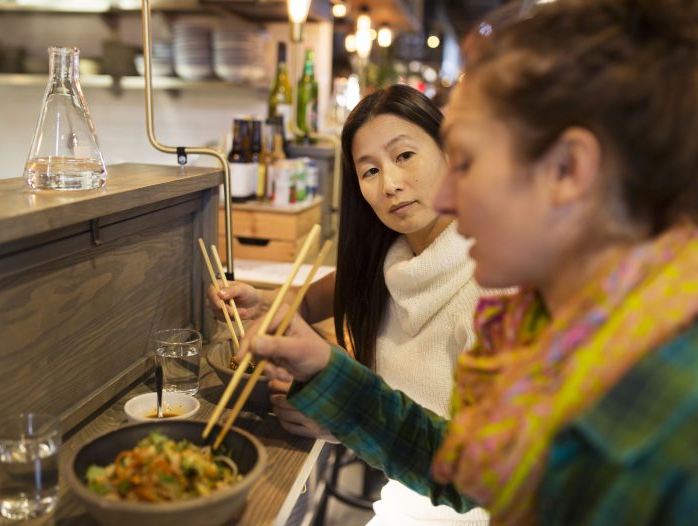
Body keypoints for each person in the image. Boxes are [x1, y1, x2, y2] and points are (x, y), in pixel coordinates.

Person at [238, 0, 698, 524]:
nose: (449, 197)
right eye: (369, 171)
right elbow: (467, 468)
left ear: (568, 169)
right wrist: (326, 371)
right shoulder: (555, 329)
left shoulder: (668, 429)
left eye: (468, 160)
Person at [209, 84, 491, 524]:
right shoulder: (394, 260)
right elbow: (307, 304)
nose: (391, 184)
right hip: (404, 498)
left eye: (404, 156)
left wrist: (341, 418)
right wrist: (268, 306)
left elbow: (481, 475)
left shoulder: (493, 282)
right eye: (369, 171)